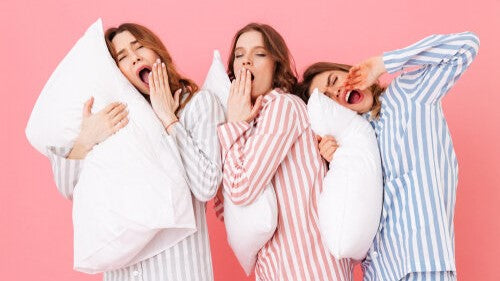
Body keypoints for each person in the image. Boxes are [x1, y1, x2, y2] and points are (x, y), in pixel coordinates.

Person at [47, 23, 225, 281]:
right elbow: (68, 188)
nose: (135, 58)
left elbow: (206, 186)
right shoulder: (114, 120)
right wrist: (86, 140)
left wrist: (168, 120)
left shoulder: (197, 105)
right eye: (122, 57)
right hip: (125, 271)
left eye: (139, 47)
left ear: (157, 53)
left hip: (178, 270)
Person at [296, 31, 479, 281]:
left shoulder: (407, 95)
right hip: (378, 273)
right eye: (328, 99)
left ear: (350, 71)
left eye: (333, 80)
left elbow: (466, 46)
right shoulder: (356, 144)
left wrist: (382, 64)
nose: (337, 92)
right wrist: (338, 161)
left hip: (423, 263)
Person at [217, 23, 352, 281]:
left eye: (259, 54)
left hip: (309, 268)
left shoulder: (283, 107)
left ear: (276, 64)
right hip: (277, 269)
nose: (246, 62)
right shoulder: (254, 120)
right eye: (239, 55)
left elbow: (241, 188)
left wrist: (234, 124)